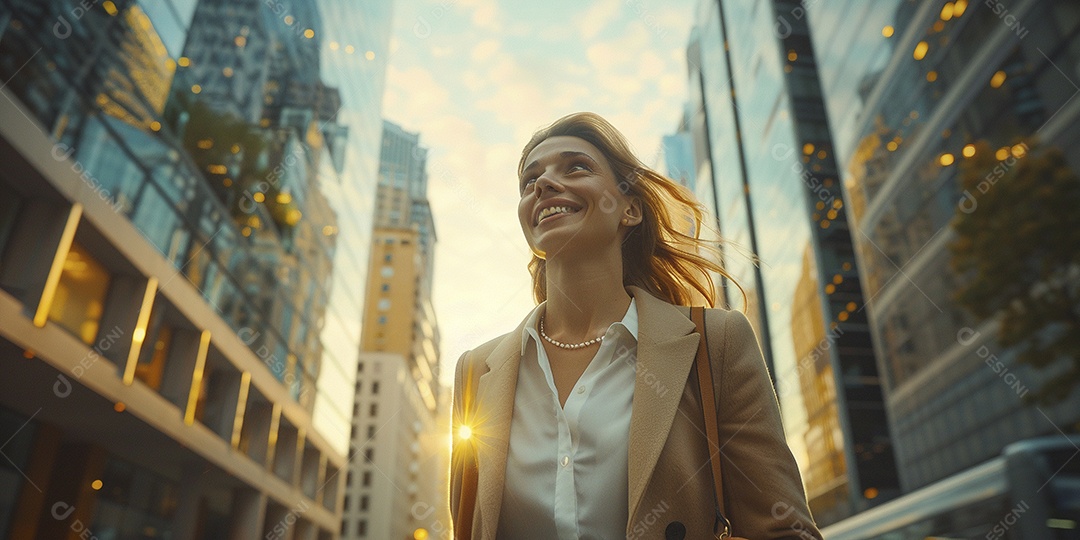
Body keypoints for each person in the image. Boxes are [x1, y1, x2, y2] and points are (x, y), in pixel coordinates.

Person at [449, 112, 821, 539]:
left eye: (576, 167)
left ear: (630, 209)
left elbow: (785, 530)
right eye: (530, 179)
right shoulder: (475, 372)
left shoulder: (715, 343)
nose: (544, 183)